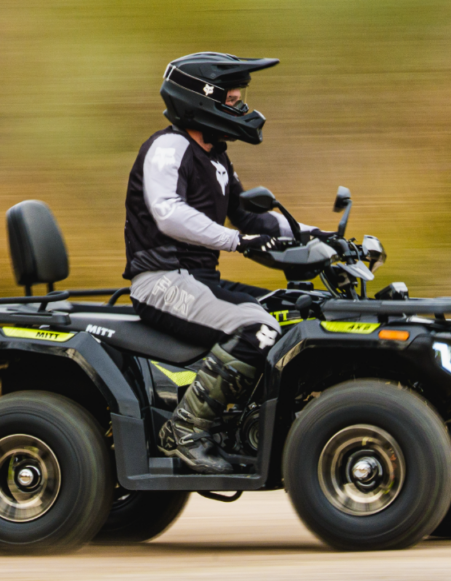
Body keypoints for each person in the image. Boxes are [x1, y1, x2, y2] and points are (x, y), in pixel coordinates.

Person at [123, 52, 325, 474]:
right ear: (201, 100)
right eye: (232, 100)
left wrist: (319, 235)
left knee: (293, 313)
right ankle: (186, 430)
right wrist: (236, 241)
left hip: (198, 279)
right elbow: (168, 213)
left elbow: (251, 218)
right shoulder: (168, 148)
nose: (241, 107)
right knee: (256, 328)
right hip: (161, 280)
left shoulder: (216, 157)